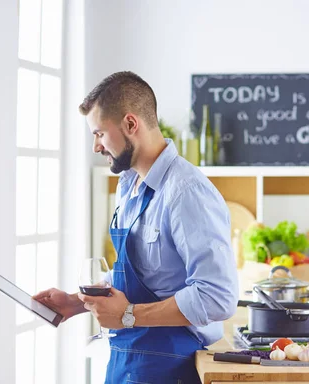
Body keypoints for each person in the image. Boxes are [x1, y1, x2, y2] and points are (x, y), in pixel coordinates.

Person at [33, 71, 238, 383]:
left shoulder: (187, 192)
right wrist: (75, 303)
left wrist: (128, 315)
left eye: (100, 133)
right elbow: (140, 275)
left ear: (130, 124)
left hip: (171, 367)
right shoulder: (128, 185)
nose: (96, 147)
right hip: (126, 362)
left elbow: (217, 296)